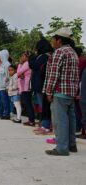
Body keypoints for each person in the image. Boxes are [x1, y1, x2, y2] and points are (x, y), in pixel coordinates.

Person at [44, 27, 79, 156]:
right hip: (70, 92)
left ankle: (62, 148)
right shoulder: (73, 53)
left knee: (60, 121)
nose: (52, 42)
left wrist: (48, 91)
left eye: (53, 39)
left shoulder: (59, 53)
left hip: (59, 92)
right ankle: (72, 144)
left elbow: (53, 75)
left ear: (59, 40)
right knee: (70, 120)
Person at [30, 38, 54, 134]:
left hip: (42, 84)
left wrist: (31, 58)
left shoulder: (45, 56)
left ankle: (46, 126)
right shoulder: (44, 56)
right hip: (40, 84)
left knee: (45, 107)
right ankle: (45, 125)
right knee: (43, 106)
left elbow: (34, 65)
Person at [17, 51, 35, 126]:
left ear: (27, 57)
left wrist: (20, 65)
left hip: (26, 86)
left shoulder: (27, 63)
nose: (21, 57)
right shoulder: (25, 64)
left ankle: (31, 120)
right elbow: (19, 73)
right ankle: (30, 119)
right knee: (27, 103)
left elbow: (18, 72)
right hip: (24, 86)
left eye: (23, 56)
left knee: (28, 103)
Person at [0, 50, 11, 119]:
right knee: (2, 101)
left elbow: (8, 76)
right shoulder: (1, 65)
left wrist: (7, 86)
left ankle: (7, 114)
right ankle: (4, 113)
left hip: (4, 87)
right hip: (0, 86)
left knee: (5, 101)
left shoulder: (7, 64)